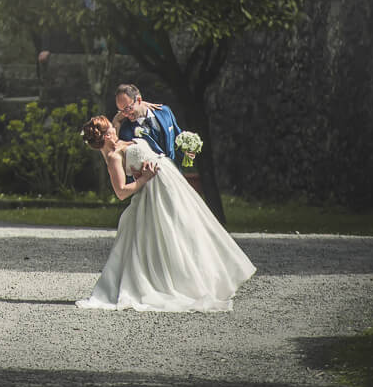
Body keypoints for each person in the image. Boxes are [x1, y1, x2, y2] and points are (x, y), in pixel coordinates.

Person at [73, 115, 256, 311]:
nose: (113, 129)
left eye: (111, 126)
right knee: (170, 236)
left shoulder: (119, 139)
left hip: (170, 183)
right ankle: (181, 284)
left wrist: (122, 115)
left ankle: (211, 280)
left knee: (191, 230)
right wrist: (144, 178)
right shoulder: (113, 156)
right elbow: (120, 192)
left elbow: (118, 125)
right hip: (155, 192)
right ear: (103, 137)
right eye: (108, 130)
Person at [113, 83, 179, 160]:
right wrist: (116, 119)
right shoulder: (126, 132)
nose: (126, 115)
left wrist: (189, 152)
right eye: (121, 111)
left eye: (128, 108)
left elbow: (177, 136)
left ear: (139, 100)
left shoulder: (164, 111)